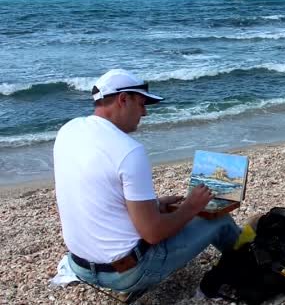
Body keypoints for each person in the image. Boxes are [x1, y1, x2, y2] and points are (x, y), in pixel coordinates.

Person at [54, 69, 241, 295]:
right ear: (123, 99)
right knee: (219, 221)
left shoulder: (69, 130)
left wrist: (156, 205)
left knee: (168, 214)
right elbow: (153, 234)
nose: (145, 113)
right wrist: (192, 206)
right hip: (127, 274)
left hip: (80, 266)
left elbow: (100, 195)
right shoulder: (128, 150)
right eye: (142, 104)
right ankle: (254, 262)